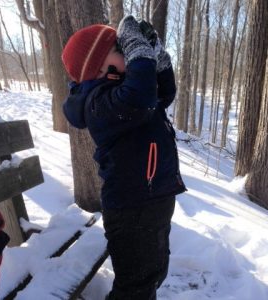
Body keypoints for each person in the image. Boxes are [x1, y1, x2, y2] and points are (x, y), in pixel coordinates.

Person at [61, 16, 187, 300]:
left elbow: (163, 93)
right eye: (122, 48)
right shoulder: (100, 104)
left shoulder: (127, 92)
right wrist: (137, 48)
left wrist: (155, 54)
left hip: (153, 199)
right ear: (101, 67)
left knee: (153, 274)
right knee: (134, 287)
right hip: (132, 208)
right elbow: (140, 96)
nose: (129, 53)